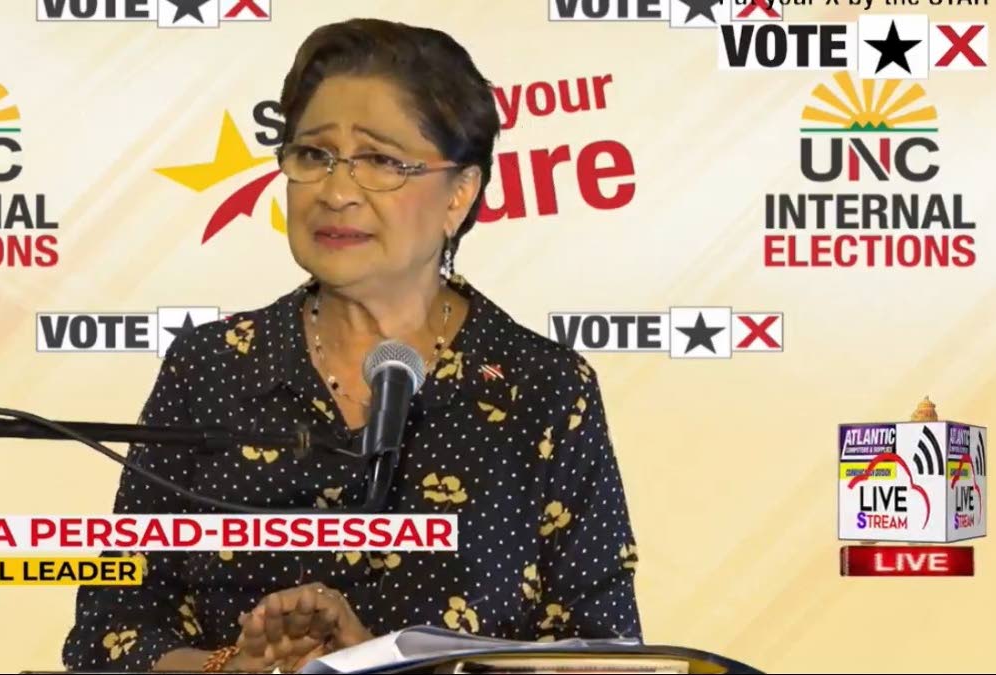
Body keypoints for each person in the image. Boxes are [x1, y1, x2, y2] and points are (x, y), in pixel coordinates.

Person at [62, 17, 640, 673]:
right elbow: (108, 635)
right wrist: (232, 665)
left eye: (380, 161)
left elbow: (607, 657)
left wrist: (380, 664)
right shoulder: (212, 367)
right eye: (314, 155)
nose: (336, 192)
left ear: (459, 194)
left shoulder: (542, 388)